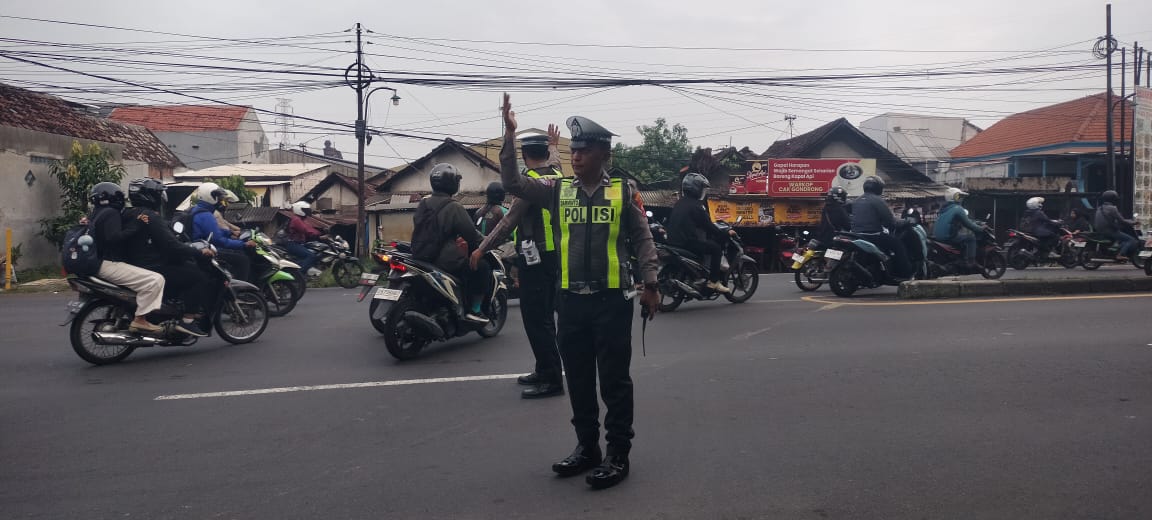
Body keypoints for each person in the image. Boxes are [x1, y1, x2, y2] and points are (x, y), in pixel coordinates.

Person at [498, 93, 660, 490]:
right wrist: (509, 136)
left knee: (614, 382)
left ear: (603, 153)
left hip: (612, 302)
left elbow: (643, 239)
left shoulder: (623, 191)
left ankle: (618, 453)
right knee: (580, 380)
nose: (577, 156)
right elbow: (513, 183)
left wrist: (651, 284)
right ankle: (587, 448)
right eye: (574, 150)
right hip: (570, 302)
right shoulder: (557, 190)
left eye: (585, 150)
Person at [470, 130, 566, 399]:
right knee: (545, 317)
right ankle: (544, 368)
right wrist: (554, 146)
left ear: (524, 155)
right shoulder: (556, 176)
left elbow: (507, 223)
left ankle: (551, 378)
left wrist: (481, 249)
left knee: (536, 320)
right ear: (546, 153)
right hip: (555, 256)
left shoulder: (530, 185)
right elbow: (555, 162)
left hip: (536, 259)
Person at [122, 178, 214, 337]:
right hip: (151, 265)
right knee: (196, 276)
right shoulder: (151, 216)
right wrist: (198, 252)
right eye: (159, 194)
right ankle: (188, 321)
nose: (161, 198)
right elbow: (171, 245)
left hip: (133, 263)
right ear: (151, 196)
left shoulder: (128, 213)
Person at [411, 163, 491, 324]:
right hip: (444, 260)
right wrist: (486, 242)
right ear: (452, 183)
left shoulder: (423, 203)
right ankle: (475, 310)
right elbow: (471, 234)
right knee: (482, 267)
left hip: (419, 254)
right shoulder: (454, 207)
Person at [86, 182, 166, 333]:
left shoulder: (95, 214)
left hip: (96, 262)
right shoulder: (111, 213)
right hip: (107, 263)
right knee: (155, 280)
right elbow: (113, 238)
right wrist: (136, 226)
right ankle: (140, 320)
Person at [666, 172, 735, 293]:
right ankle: (713, 282)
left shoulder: (680, 203)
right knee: (716, 249)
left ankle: (698, 276)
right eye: (702, 188)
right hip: (686, 243)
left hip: (672, 241)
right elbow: (707, 225)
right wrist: (724, 233)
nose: (703, 191)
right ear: (696, 188)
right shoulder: (696, 206)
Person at [190, 182, 255, 282]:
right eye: (218, 197)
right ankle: (240, 289)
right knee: (243, 260)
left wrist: (230, 233)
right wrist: (243, 244)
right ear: (210, 197)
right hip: (207, 250)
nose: (221, 201)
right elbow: (219, 241)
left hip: (202, 246)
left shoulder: (197, 210)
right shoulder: (206, 215)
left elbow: (212, 232)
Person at [850, 176, 912, 279]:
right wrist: (902, 223)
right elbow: (889, 221)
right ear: (878, 188)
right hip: (873, 235)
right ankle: (905, 274)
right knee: (898, 245)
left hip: (856, 235)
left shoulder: (856, 201)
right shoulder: (878, 200)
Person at [933, 187, 985, 268]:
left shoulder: (944, 209)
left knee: (961, 236)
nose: (961, 199)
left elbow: (965, 221)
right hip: (949, 237)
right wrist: (980, 229)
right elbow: (968, 224)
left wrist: (975, 222)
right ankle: (971, 261)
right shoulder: (958, 209)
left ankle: (961, 257)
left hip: (937, 237)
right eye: (959, 196)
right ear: (955, 197)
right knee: (971, 238)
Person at [1094, 190, 1140, 261]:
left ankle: (1115, 251)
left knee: (1122, 239)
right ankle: (1120, 254)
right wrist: (1134, 223)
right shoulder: (1113, 208)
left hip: (1100, 231)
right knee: (1131, 240)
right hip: (1110, 231)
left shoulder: (1100, 208)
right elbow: (1122, 220)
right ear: (1113, 199)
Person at [284, 201, 322, 274]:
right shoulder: (296, 220)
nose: (307, 211)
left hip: (298, 243)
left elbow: (309, 228)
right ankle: (298, 274)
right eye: (305, 210)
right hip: (293, 244)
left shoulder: (300, 219)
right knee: (311, 256)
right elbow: (306, 229)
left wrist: (320, 232)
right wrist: (319, 234)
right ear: (299, 210)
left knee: (315, 251)